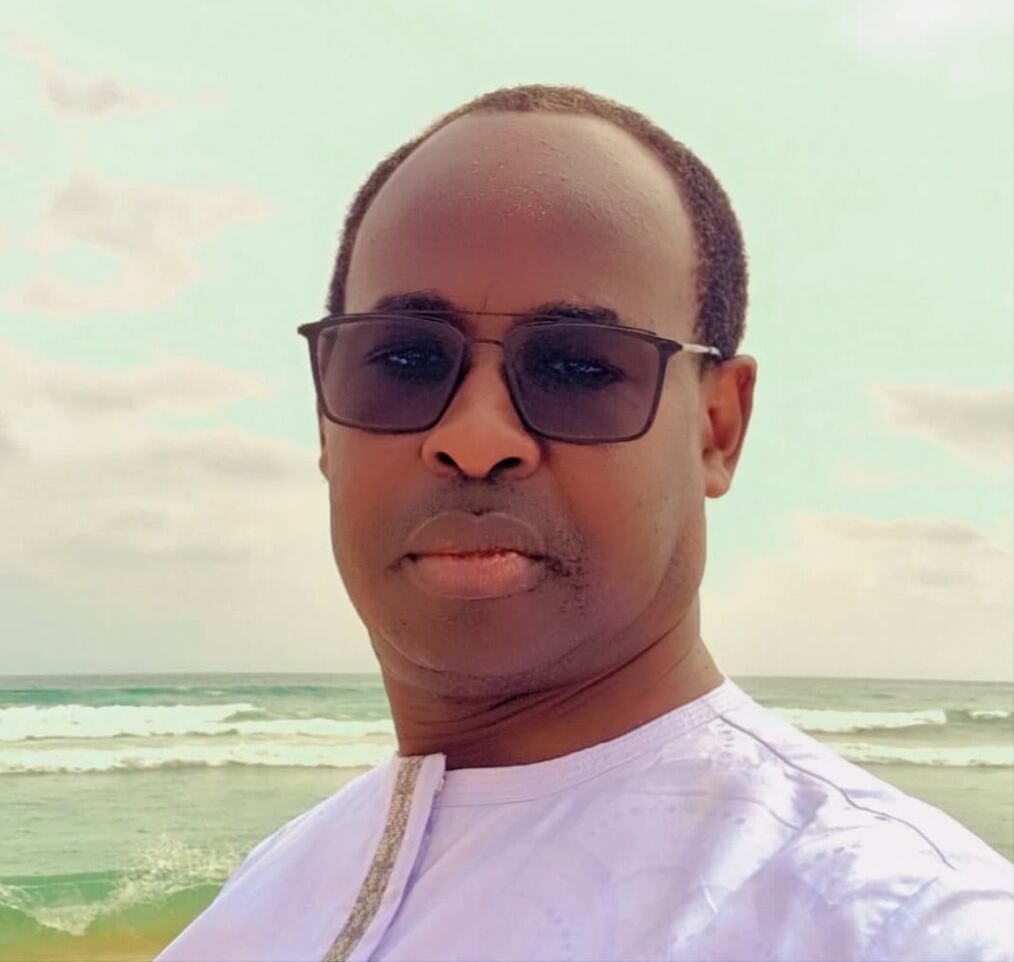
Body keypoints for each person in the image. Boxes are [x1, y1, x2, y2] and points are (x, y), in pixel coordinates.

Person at [156, 84, 1014, 962]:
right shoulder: (267, 895)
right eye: (405, 360)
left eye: (577, 368)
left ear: (717, 429)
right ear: (324, 418)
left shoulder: (890, 923)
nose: (475, 438)